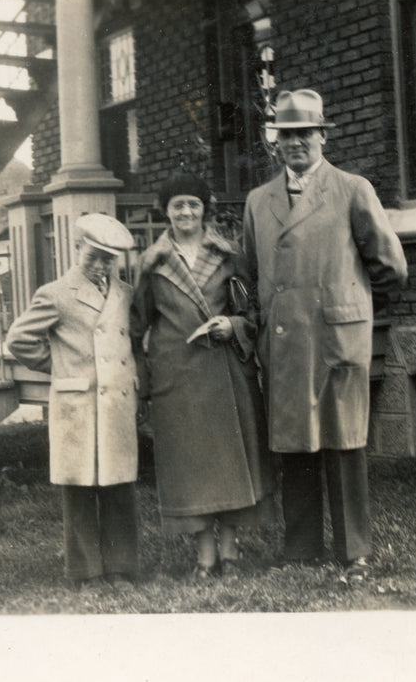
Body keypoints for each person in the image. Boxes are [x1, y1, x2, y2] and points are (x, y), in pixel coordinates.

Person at [241, 88, 408, 585]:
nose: (296, 143)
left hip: (336, 339)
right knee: (295, 443)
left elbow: (391, 267)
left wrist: (351, 306)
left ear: (322, 137)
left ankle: (355, 550)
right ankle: (301, 547)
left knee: (344, 441)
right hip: (285, 341)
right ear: (276, 142)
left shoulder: (352, 189)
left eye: (305, 134)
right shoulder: (258, 201)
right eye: (287, 135)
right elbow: (248, 272)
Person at [132, 172, 277, 579]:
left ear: (204, 209)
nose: (185, 212)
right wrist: (143, 379)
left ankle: (229, 550)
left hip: (224, 370)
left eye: (193, 204)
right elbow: (136, 324)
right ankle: (205, 554)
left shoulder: (229, 255)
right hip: (177, 375)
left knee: (230, 459)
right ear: (166, 211)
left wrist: (234, 325)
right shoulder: (151, 263)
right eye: (177, 204)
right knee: (191, 464)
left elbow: (252, 310)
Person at [5, 213, 142, 590]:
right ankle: (87, 572)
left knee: (118, 483)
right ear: (77, 248)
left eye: (108, 259)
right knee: (80, 486)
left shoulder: (125, 293)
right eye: (92, 256)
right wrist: (61, 367)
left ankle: (120, 567)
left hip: (116, 401)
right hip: (78, 403)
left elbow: (132, 342)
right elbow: (19, 340)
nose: (100, 266)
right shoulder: (56, 293)